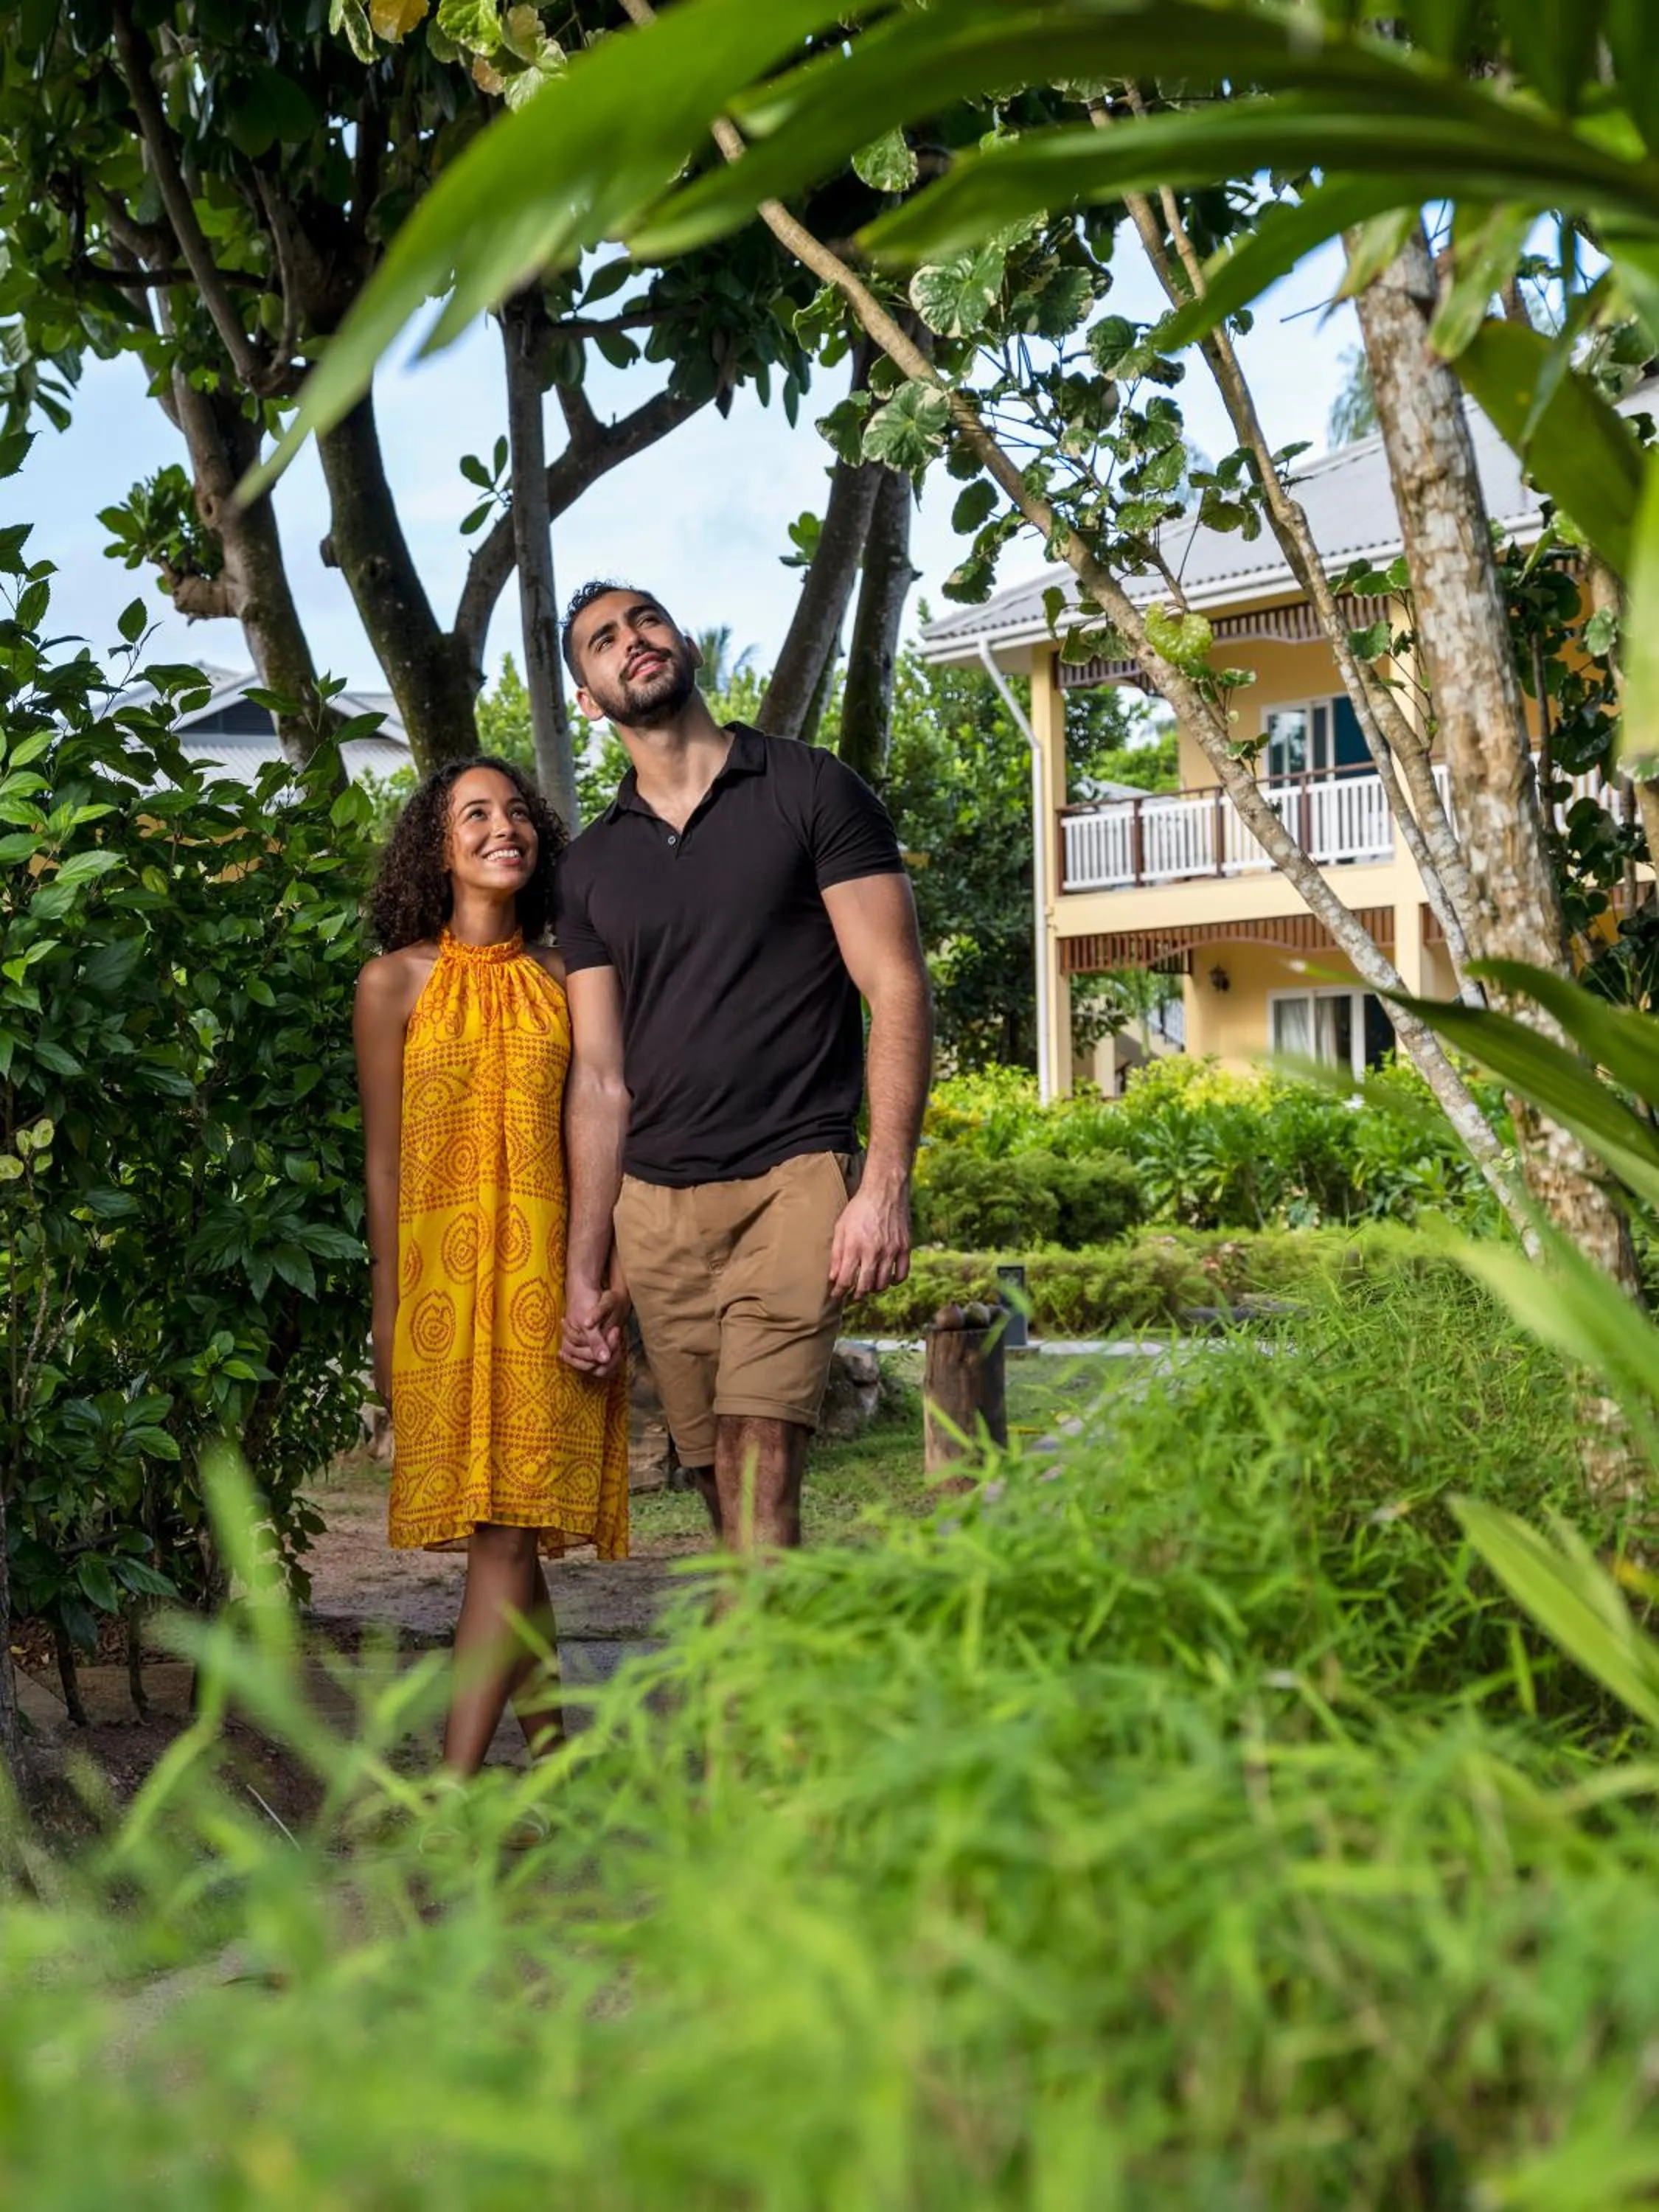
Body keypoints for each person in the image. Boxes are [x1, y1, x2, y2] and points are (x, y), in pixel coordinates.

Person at [554, 582, 932, 1550]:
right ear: (587, 699)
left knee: (761, 1472)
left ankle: (770, 1709)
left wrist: (882, 1183)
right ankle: (791, 1689)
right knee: (724, 1499)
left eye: (645, 621)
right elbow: (598, 1080)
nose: (631, 640)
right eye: (602, 640)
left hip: (791, 1180)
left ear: (680, 642)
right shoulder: (589, 867)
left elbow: (894, 986)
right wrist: (585, 1265)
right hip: (654, 1208)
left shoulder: (811, 789)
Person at [353, 755, 628, 1775]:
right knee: (499, 1541)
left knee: (508, 1538)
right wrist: (387, 1314)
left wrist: (605, 1285)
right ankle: (555, 1764)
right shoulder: (390, 986)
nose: (500, 827)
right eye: (473, 814)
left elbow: (612, 1124)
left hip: (548, 1292)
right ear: (437, 845)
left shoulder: (570, 979)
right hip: (438, 1293)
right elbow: (383, 1164)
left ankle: (455, 1792)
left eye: (516, 812)